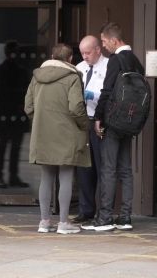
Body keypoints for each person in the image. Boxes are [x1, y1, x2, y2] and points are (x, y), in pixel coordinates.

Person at [81, 23, 144, 232]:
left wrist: (98, 117)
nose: (105, 46)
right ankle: (125, 217)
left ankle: (105, 217)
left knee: (108, 168)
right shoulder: (136, 60)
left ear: (114, 41)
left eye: (106, 42)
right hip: (130, 122)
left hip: (113, 121)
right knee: (125, 169)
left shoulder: (116, 60)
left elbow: (107, 91)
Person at [24, 43, 91, 234]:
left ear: (52, 56)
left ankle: (44, 221)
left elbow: (28, 106)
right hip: (66, 132)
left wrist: (39, 120)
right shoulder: (72, 77)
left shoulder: (37, 76)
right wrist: (83, 125)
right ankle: (64, 222)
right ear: (70, 59)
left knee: (47, 176)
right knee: (66, 176)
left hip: (42, 131)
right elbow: (76, 107)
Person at [72, 36, 108, 223]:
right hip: (83, 120)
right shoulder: (79, 68)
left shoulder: (109, 66)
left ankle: (104, 211)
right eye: (82, 53)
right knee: (84, 168)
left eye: (88, 53)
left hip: (100, 120)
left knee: (102, 167)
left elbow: (110, 94)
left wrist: (93, 95)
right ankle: (86, 210)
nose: (85, 56)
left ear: (98, 50)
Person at [0, 41, 30, 188]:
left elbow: (27, 90)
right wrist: (17, 104)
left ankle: (13, 176)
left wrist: (23, 105)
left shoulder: (22, 70)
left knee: (16, 147)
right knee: (3, 145)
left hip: (18, 113)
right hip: (6, 113)